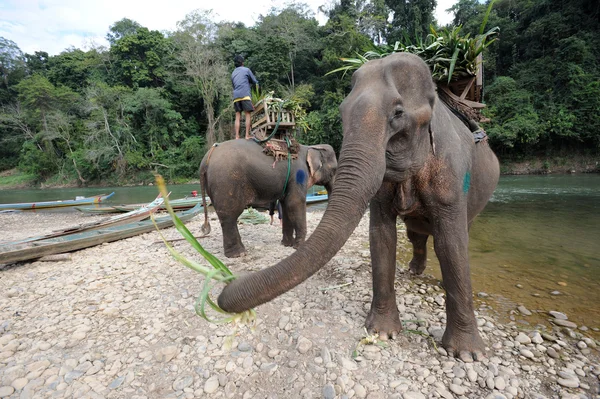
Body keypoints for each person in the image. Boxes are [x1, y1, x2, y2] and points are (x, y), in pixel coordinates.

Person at [231, 55, 259, 140]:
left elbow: (234, 85)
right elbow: (255, 81)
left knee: (237, 116)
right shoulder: (246, 70)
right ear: (242, 62)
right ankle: (247, 135)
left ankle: (237, 136)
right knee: (247, 114)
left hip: (236, 96)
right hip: (245, 95)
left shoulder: (233, 73)